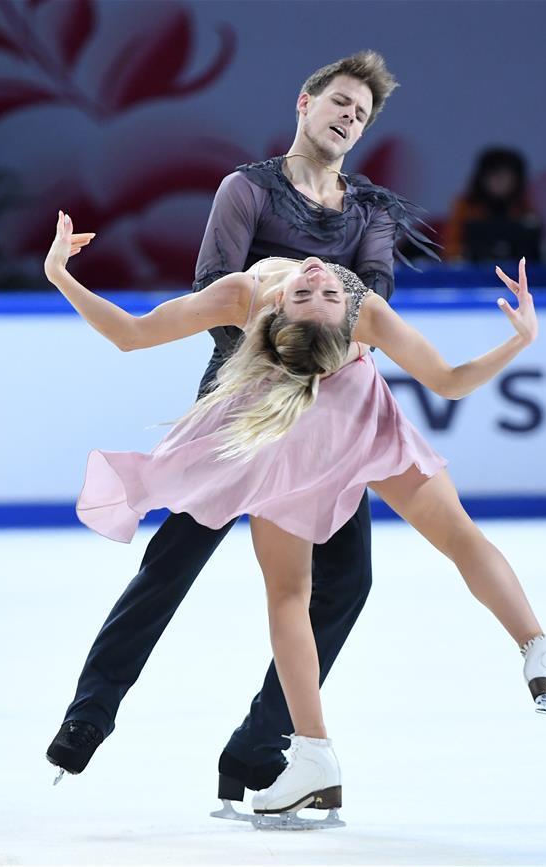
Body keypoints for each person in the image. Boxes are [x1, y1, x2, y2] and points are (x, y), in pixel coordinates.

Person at [44, 215, 546, 819]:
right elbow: (451, 383)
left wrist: (60, 274)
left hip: (295, 432)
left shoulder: (247, 296)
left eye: (319, 292)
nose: (320, 278)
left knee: (291, 594)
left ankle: (315, 757)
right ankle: (539, 651)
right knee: (446, 537)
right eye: (316, 291)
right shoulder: (359, 306)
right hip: (335, 415)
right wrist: (520, 341)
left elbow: (131, 335)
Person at [44, 51, 438, 804]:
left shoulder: (372, 213)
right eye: (340, 102)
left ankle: (258, 746)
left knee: (346, 580)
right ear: (304, 102)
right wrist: (273, 373)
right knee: (173, 562)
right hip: (239, 404)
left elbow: (374, 309)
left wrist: (316, 357)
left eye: (362, 113)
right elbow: (215, 293)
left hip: (331, 423)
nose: (349, 117)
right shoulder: (247, 189)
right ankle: (90, 713)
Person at [441, 146, 543, 263]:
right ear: (482, 178)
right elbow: (450, 247)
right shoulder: (465, 206)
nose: (500, 182)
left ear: (517, 180)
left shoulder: (525, 207)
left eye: (506, 176)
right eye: (494, 176)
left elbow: (537, 250)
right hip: (474, 274)